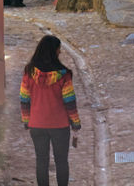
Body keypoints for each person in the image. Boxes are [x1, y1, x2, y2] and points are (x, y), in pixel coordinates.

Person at [20, 34, 81, 186]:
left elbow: (24, 99)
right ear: (54, 51)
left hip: (37, 124)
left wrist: (26, 120)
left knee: (41, 161)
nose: (60, 52)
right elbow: (70, 102)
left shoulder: (29, 72)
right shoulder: (64, 75)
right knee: (61, 162)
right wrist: (75, 123)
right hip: (59, 125)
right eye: (59, 49)